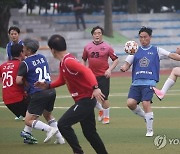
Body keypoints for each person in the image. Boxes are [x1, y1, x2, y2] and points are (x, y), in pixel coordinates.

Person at [34, 34, 108, 154]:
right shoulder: (64, 62)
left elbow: (86, 70)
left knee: (63, 124)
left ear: (52, 50)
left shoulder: (68, 61)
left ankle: (78, 152)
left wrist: (95, 87)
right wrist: (48, 85)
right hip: (85, 101)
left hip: (85, 100)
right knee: (89, 132)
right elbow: (62, 80)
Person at [120, 26, 180, 137]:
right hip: (136, 83)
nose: (143, 39)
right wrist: (124, 67)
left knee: (146, 103)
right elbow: (127, 64)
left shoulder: (156, 50)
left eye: (145, 37)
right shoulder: (134, 51)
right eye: (141, 37)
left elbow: (171, 55)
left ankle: (150, 130)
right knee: (130, 103)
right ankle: (145, 116)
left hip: (149, 82)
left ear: (150, 37)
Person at [16, 38, 65, 144]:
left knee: (28, 121)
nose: (22, 50)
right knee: (48, 115)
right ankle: (60, 139)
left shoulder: (25, 63)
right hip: (50, 90)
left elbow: (18, 81)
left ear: (28, 50)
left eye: (24, 48)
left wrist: (25, 84)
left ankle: (49, 129)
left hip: (39, 92)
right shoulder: (42, 57)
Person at [0, 43, 37, 144]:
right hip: (18, 98)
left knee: (29, 114)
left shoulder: (3, 65)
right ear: (21, 53)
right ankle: (51, 130)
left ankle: (27, 136)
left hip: (7, 101)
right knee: (37, 107)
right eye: (24, 51)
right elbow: (23, 81)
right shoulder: (22, 65)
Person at [82, 26, 119, 124]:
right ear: (92, 35)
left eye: (99, 33)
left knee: (104, 97)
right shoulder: (87, 47)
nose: (97, 35)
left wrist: (109, 70)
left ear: (102, 35)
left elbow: (116, 59)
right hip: (91, 77)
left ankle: (106, 117)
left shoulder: (107, 47)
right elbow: (84, 59)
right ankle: (101, 110)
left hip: (103, 76)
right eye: (95, 33)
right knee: (89, 97)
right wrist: (84, 69)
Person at [6, 26, 24, 120]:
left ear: (18, 34)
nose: (13, 36)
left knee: (24, 88)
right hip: (14, 69)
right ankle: (20, 113)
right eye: (12, 34)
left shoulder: (23, 45)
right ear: (9, 35)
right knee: (15, 89)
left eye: (15, 34)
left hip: (22, 68)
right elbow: (9, 58)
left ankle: (27, 111)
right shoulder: (8, 46)